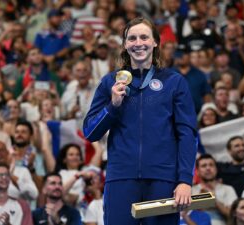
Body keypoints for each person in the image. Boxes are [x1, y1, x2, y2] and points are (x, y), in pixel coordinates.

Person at [83, 17, 198, 225]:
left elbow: (187, 134)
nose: (138, 43)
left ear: (155, 42)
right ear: (125, 45)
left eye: (144, 37)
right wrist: (112, 106)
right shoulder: (110, 82)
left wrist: (184, 180)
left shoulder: (174, 82)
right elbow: (90, 132)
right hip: (121, 178)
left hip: (162, 179)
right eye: (132, 38)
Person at [192, 154, 238, 225]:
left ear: (216, 169)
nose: (208, 168)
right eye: (204, 166)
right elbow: (183, 214)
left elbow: (234, 216)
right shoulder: (191, 190)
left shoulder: (228, 189)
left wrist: (214, 200)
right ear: (197, 171)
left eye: (211, 165)